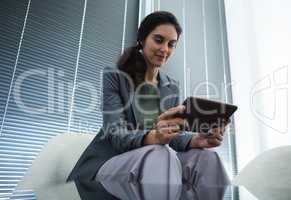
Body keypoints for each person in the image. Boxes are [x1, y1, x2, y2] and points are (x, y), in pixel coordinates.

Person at [67, 11, 229, 192]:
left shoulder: (171, 86)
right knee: (160, 153)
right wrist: (153, 137)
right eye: (159, 40)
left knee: (208, 158)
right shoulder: (115, 77)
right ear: (142, 39)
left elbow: (173, 136)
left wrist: (197, 140)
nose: (165, 49)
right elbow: (116, 133)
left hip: (155, 163)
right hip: (111, 163)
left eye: (171, 44)